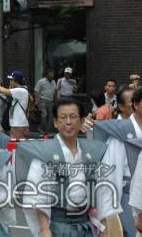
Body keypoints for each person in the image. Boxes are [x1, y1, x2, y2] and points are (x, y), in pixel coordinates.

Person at [19, 98, 119, 237]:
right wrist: (45, 230)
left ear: (82, 120)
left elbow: (103, 194)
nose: (68, 122)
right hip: (58, 225)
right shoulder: (45, 153)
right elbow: (37, 196)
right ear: (55, 122)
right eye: (63, 117)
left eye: (73, 117)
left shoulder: (93, 152)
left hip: (86, 225)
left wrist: (103, 228)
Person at [95, 87, 142, 237]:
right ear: (136, 105)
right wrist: (106, 217)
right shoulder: (121, 133)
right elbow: (109, 176)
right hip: (127, 201)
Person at [0, 71, 31, 140]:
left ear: (16, 81)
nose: (10, 82)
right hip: (18, 123)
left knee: (19, 146)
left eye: (11, 80)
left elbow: (4, 91)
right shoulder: (21, 90)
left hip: (18, 124)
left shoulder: (20, 91)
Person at [34, 70, 57, 135]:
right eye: (50, 75)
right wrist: (36, 100)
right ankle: (41, 129)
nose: (52, 76)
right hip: (42, 101)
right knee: (44, 115)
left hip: (51, 102)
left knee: (51, 118)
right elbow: (36, 91)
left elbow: (55, 91)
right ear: (47, 75)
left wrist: (55, 101)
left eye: (52, 75)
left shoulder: (53, 82)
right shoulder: (41, 81)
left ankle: (46, 131)